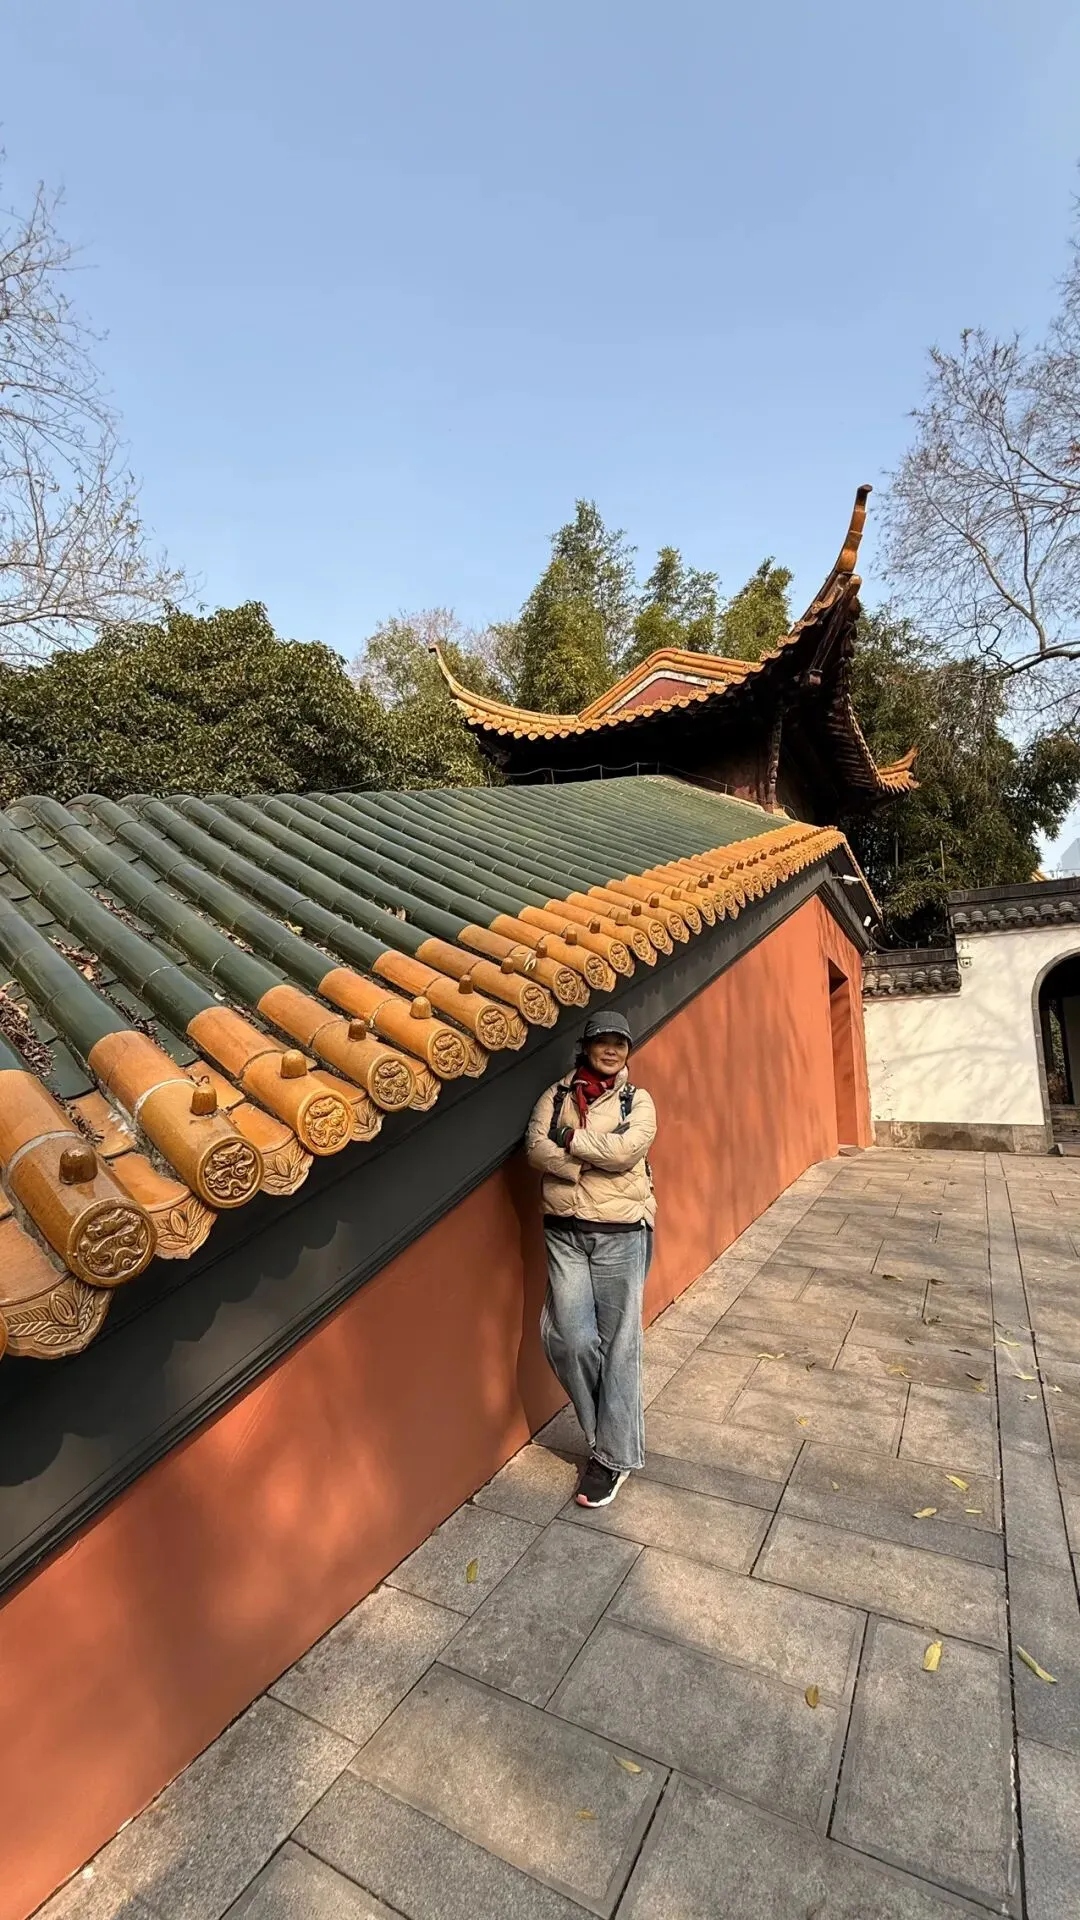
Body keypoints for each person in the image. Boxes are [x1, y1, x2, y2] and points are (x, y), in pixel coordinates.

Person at [526, 1012, 657, 1508]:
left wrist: (568, 1140)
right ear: (585, 1047)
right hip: (563, 1231)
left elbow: (626, 1153)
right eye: (602, 1041)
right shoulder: (557, 1095)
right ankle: (609, 1435)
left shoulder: (637, 1100)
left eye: (620, 1043)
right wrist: (582, 1164)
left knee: (619, 1345)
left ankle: (611, 1457)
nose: (611, 1050)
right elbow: (534, 1148)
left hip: (621, 1232)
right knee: (570, 1339)